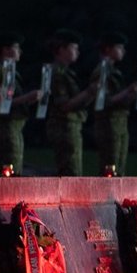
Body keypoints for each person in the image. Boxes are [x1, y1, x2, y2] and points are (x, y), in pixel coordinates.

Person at [43, 29, 96, 176]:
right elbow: (65, 105)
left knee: (73, 169)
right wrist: (88, 92)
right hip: (64, 127)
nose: (77, 51)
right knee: (70, 172)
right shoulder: (57, 73)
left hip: (70, 125)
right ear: (61, 49)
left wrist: (90, 94)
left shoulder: (66, 72)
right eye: (74, 48)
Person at [89, 31, 137, 176]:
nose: (123, 51)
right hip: (108, 124)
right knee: (110, 166)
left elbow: (117, 99)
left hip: (119, 122)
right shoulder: (102, 71)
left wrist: (132, 94)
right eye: (119, 47)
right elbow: (104, 100)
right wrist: (128, 91)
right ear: (107, 49)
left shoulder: (113, 71)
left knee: (119, 166)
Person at [0, 34, 41, 175]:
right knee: (10, 169)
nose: (20, 51)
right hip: (6, 127)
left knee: (13, 167)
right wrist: (26, 98)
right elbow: (2, 103)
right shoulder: (1, 71)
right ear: (5, 50)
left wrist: (27, 100)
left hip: (13, 126)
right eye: (16, 48)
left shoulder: (8, 71)